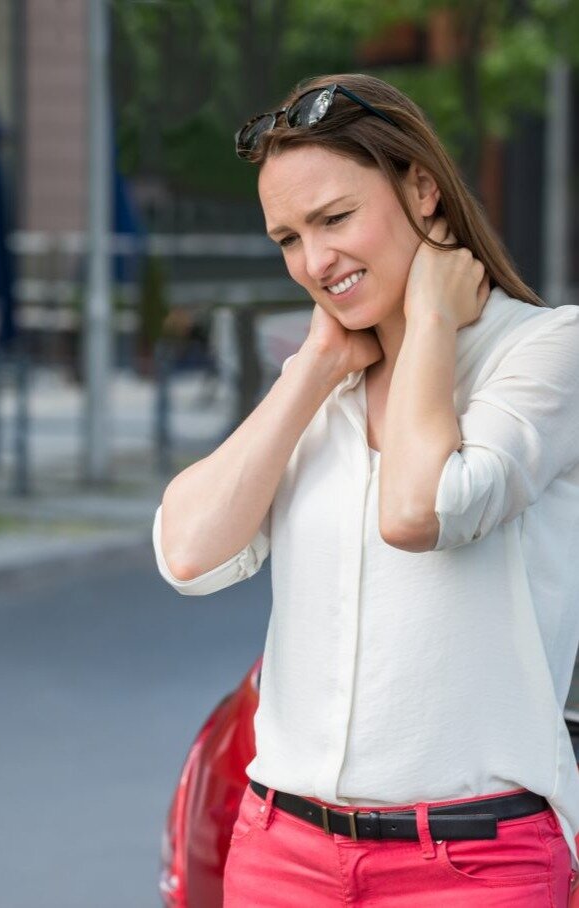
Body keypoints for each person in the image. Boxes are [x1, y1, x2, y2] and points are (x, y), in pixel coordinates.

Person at [154, 73, 579, 907]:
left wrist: (428, 323)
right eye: (287, 238)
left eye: (334, 219)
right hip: (282, 855)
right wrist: (314, 366)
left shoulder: (544, 351)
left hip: (476, 866)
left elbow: (421, 510)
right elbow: (187, 556)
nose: (314, 262)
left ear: (423, 189)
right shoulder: (321, 386)